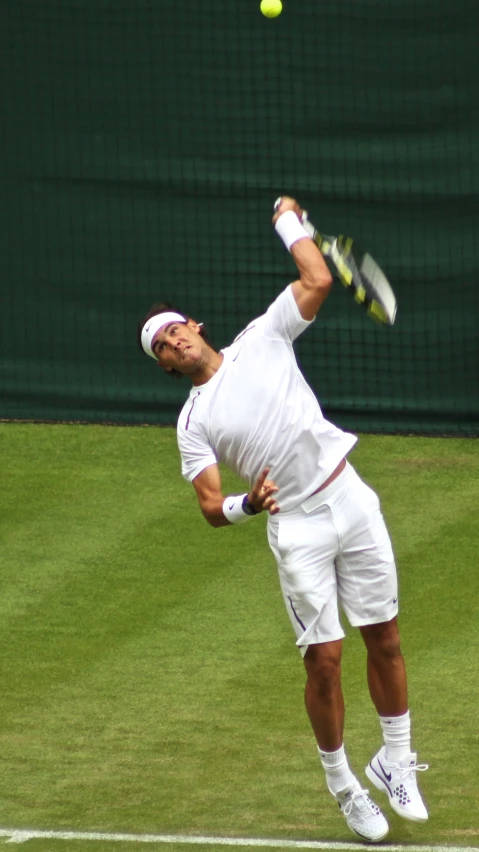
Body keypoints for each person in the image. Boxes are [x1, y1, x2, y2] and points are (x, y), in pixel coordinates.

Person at [137, 196, 428, 842]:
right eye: (162, 344)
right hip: (296, 528)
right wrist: (249, 503)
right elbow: (212, 508)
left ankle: (396, 760)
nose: (175, 340)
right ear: (164, 365)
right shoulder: (191, 423)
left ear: (195, 324)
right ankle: (342, 784)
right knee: (323, 661)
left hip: (350, 499)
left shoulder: (263, 336)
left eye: (175, 328)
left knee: (383, 637)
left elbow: (318, 277)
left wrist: (287, 220)